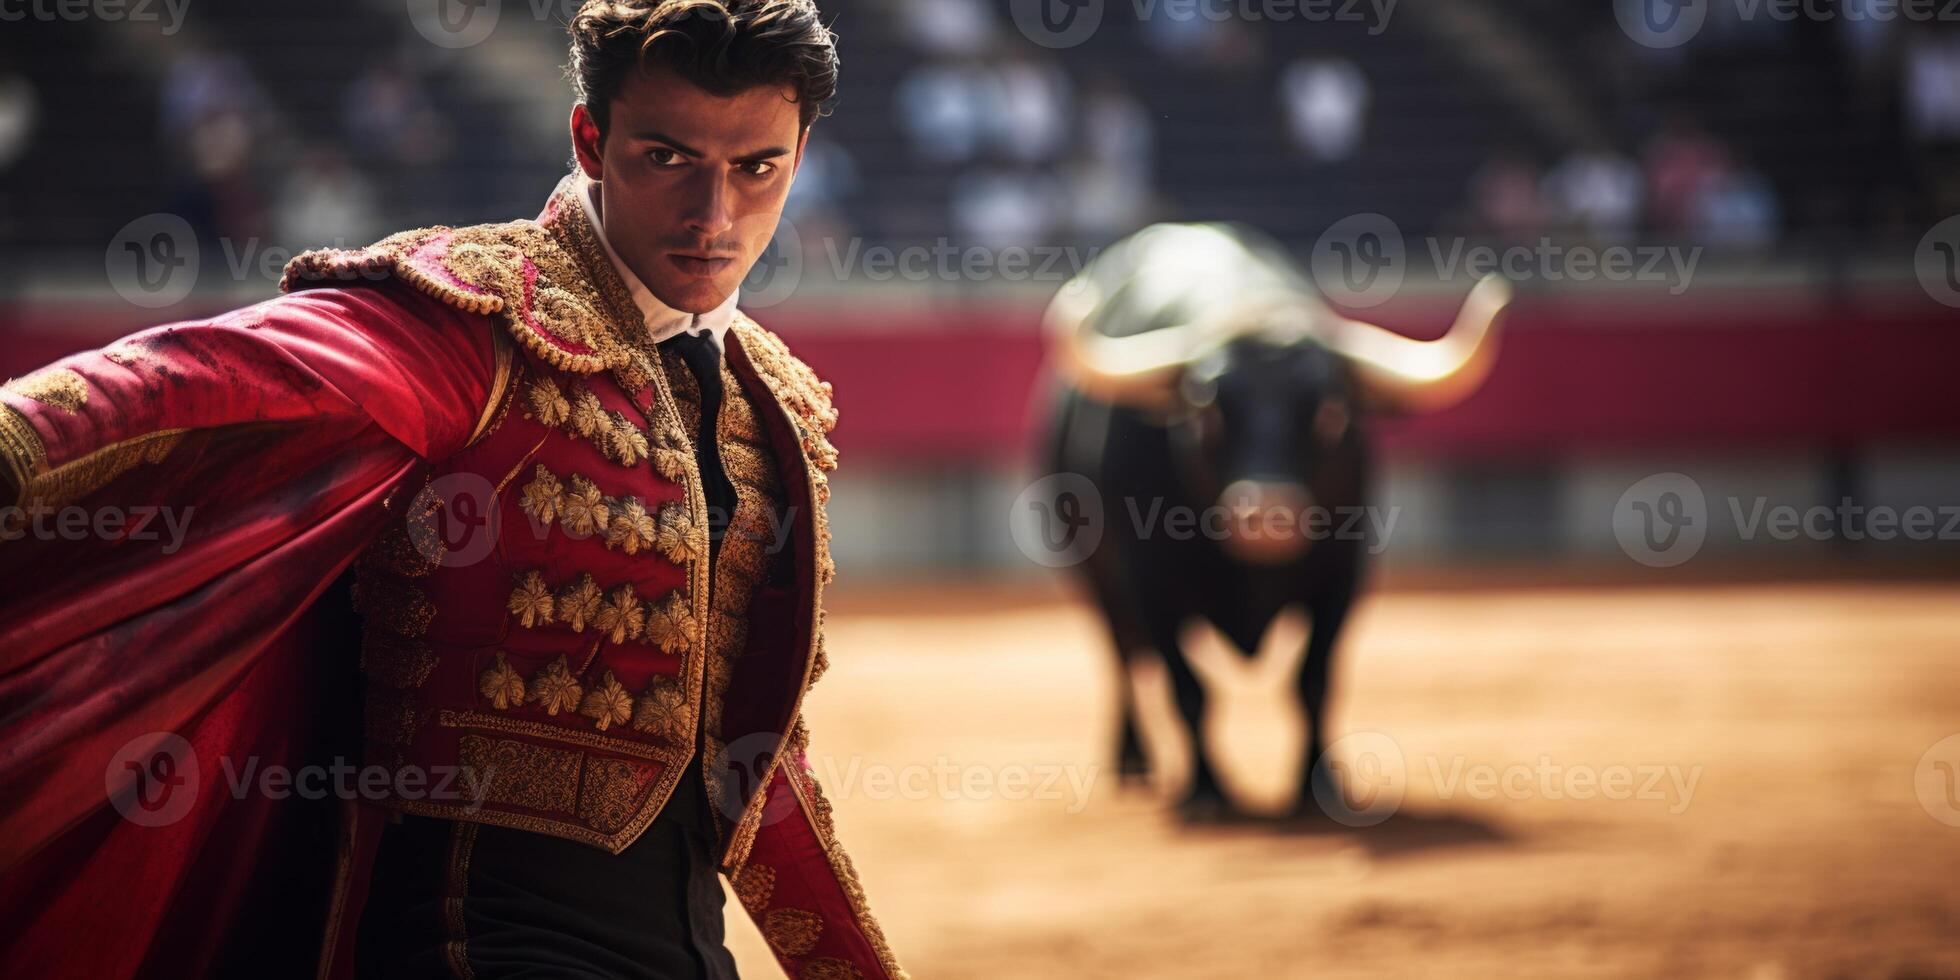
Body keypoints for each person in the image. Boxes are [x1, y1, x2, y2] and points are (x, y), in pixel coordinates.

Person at [0, 3, 905, 978]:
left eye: (755, 168)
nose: (713, 214)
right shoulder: (475, 323)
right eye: (668, 157)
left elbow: (755, 758)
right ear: (589, 140)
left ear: (801, 156)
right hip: (474, 943)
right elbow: (212, 373)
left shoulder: (769, 403)